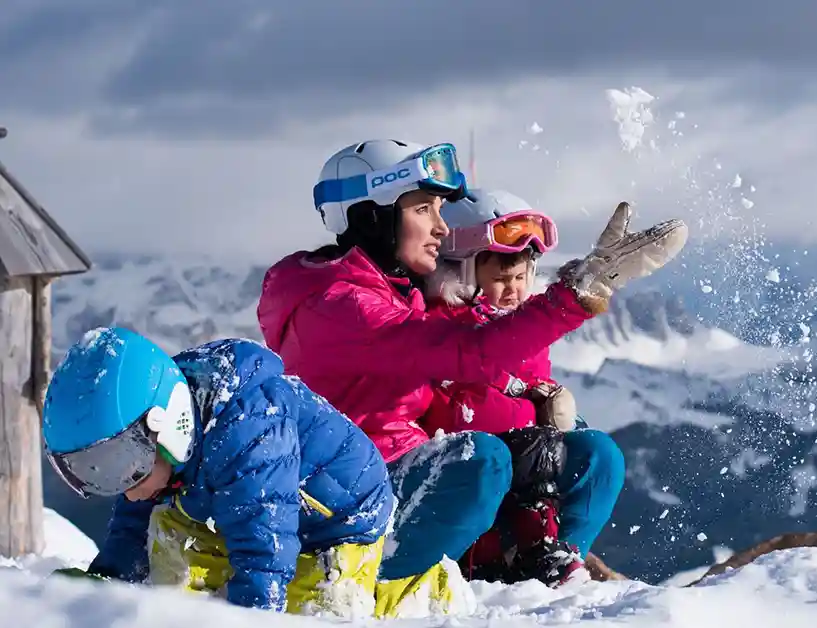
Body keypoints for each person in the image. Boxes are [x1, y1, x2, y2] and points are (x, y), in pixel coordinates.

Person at [255, 139, 687, 592]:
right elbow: (469, 349)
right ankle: (390, 587)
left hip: (399, 474)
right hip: (350, 501)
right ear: (371, 216)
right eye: (424, 209)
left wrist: (530, 395)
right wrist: (579, 291)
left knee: (592, 455)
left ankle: (539, 582)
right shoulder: (341, 305)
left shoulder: (390, 289)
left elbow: (472, 343)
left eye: (440, 210)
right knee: (481, 460)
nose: (440, 227)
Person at [40, 328, 442, 619]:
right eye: (99, 474)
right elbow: (132, 526)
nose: (125, 491)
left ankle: (415, 588)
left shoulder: (250, 430)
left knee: (319, 612)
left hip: (336, 526)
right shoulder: (165, 435)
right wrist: (111, 584)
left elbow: (264, 551)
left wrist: (251, 617)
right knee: (158, 532)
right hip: (241, 506)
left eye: (124, 468)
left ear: (167, 425)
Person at [422, 188, 593, 585]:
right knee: (532, 446)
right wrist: (530, 410)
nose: (514, 290)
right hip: (471, 466)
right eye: (501, 279)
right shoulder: (442, 325)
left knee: (595, 453)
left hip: (522, 460)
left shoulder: (523, 325)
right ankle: (529, 554)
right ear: (462, 272)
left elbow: (535, 379)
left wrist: (546, 397)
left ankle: (554, 557)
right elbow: (460, 398)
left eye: (521, 277)